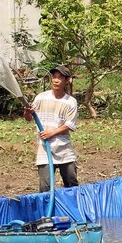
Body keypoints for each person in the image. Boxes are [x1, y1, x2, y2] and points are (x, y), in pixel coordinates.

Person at [24, 64, 78, 192]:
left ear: (67, 80)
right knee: (45, 187)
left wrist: (52, 133)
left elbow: (69, 125)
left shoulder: (70, 101)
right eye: (54, 77)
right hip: (44, 148)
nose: (56, 80)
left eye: (60, 77)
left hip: (64, 149)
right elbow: (29, 118)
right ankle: (48, 211)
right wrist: (27, 112)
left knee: (71, 183)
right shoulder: (41, 97)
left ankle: (73, 210)